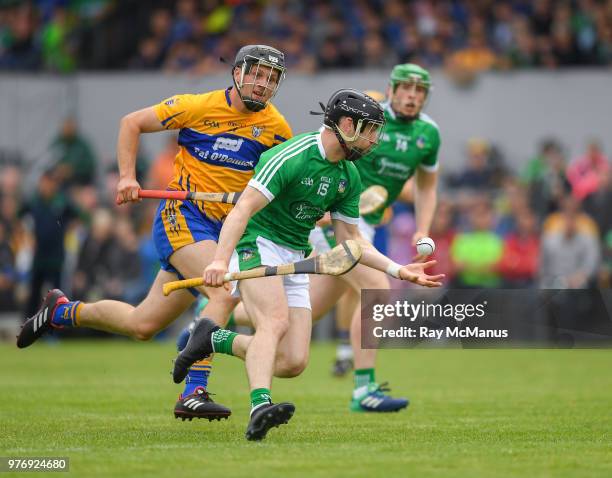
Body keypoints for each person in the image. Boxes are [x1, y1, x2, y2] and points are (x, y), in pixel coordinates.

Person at [16, 45, 292, 421]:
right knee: (224, 290)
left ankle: (62, 312)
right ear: (238, 73)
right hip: (184, 217)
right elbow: (132, 123)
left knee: (142, 324)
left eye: (271, 79)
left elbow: (281, 183)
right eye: (257, 74)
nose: (263, 85)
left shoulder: (276, 128)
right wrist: (128, 176)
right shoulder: (197, 107)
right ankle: (193, 392)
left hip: (222, 230)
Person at [172, 89, 444, 441]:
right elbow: (241, 211)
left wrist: (398, 269)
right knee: (275, 320)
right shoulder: (292, 156)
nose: (375, 140)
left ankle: (212, 337)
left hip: (296, 252)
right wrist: (221, 260)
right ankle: (260, 406)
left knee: (293, 362)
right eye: (370, 130)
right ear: (346, 124)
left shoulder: (349, 175)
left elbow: (353, 241)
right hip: (257, 242)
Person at [299, 64, 441, 412]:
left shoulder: (429, 134)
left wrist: (422, 227)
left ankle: (212, 325)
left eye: (419, 90)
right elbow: (326, 149)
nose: (412, 96)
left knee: (305, 311)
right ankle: (364, 390)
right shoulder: (368, 115)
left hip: (368, 225)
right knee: (375, 289)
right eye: (405, 88)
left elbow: (426, 186)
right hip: (338, 222)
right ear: (391, 90)